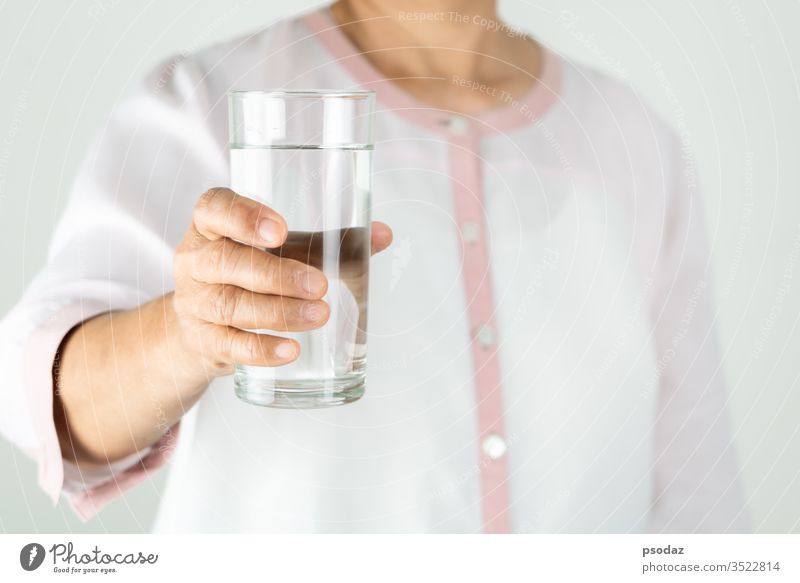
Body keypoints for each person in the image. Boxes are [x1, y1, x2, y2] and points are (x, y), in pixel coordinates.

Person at [0, 0, 749, 533]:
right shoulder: (203, 100)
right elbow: (44, 408)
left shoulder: (634, 139)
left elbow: (700, 508)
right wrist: (184, 333)